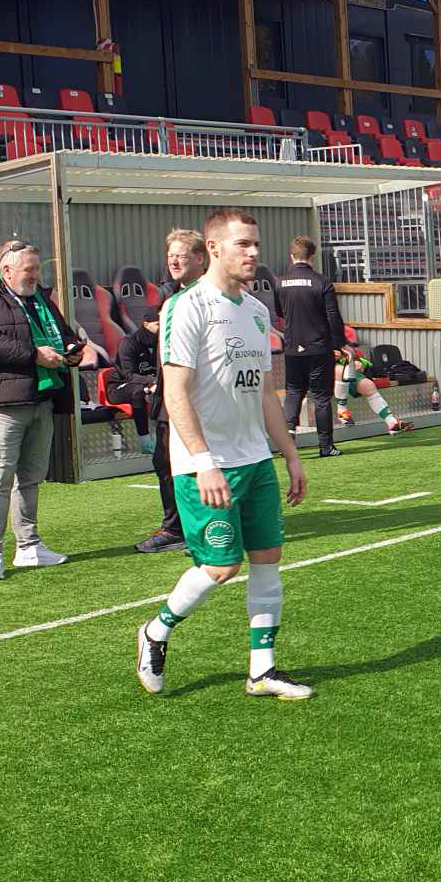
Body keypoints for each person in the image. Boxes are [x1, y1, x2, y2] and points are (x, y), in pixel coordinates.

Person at [135, 207, 312, 699]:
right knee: (220, 567)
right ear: (214, 248)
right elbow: (175, 392)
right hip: (206, 465)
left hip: (255, 459)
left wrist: (291, 455)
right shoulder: (186, 307)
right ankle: (156, 630)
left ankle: (262, 670)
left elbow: (264, 393)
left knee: (268, 559)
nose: (254, 253)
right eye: (243, 245)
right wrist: (204, 459)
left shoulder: (256, 310)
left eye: (256, 244)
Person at [0, 239, 84, 583]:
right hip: (3, 403)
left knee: (30, 478)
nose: (35, 275)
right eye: (30, 269)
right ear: (6, 270)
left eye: (37, 268)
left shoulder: (39, 296)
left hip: (42, 397)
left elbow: (63, 331)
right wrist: (34, 355)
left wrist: (72, 348)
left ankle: (29, 546)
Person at [133, 229, 207, 554]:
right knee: (165, 461)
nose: (174, 261)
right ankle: (174, 529)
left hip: (201, 398)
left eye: (181, 255)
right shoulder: (170, 299)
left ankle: (207, 529)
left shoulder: (210, 296)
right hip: (168, 397)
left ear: (200, 259)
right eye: (170, 256)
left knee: (203, 462)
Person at [276, 236, 348, 457]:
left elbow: (280, 313)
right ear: (312, 257)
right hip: (319, 348)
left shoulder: (280, 282)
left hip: (292, 348)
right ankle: (326, 447)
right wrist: (339, 344)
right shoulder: (322, 282)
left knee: (293, 392)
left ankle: (287, 443)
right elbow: (333, 317)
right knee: (321, 397)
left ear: (291, 257)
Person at [333, 331, 412, 434]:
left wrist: (354, 360)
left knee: (368, 385)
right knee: (340, 371)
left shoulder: (333, 329)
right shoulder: (309, 329)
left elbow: (350, 350)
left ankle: (392, 423)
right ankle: (341, 410)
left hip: (342, 369)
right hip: (318, 371)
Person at [109, 306, 159, 453]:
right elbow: (128, 375)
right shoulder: (129, 342)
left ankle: (161, 439)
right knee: (140, 391)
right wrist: (151, 383)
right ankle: (145, 442)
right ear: (146, 324)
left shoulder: (162, 341)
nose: (162, 327)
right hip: (119, 387)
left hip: (150, 383)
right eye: (158, 324)